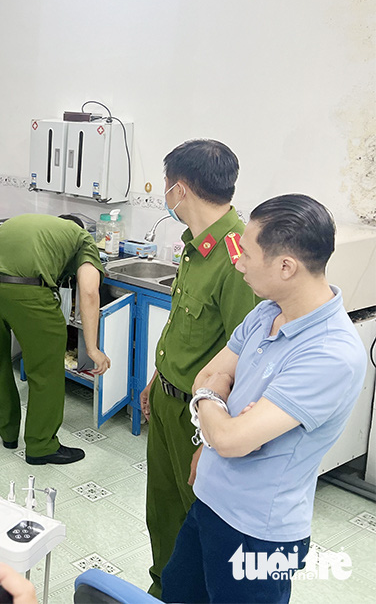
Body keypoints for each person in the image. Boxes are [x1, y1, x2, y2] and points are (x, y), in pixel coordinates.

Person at [161, 194, 366, 604]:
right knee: (177, 592)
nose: (238, 262)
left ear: (286, 266)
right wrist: (217, 415)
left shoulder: (331, 354)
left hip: (259, 533)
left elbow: (234, 439)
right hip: (208, 503)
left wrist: (217, 410)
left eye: (247, 254)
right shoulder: (265, 313)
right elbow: (209, 376)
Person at [140, 139, 259, 598]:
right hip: (169, 400)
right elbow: (185, 333)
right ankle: (163, 588)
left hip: (200, 418)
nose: (165, 194)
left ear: (180, 189)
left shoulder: (236, 260)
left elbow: (246, 362)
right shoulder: (195, 246)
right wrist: (157, 379)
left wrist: (213, 442)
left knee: (200, 519)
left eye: (166, 185)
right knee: (163, 509)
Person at [0, 213, 110, 466]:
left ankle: (8, 434)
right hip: (27, 292)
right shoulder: (82, 238)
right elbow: (88, 291)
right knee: (44, 371)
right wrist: (92, 348)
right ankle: (41, 446)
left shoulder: (25, 222)